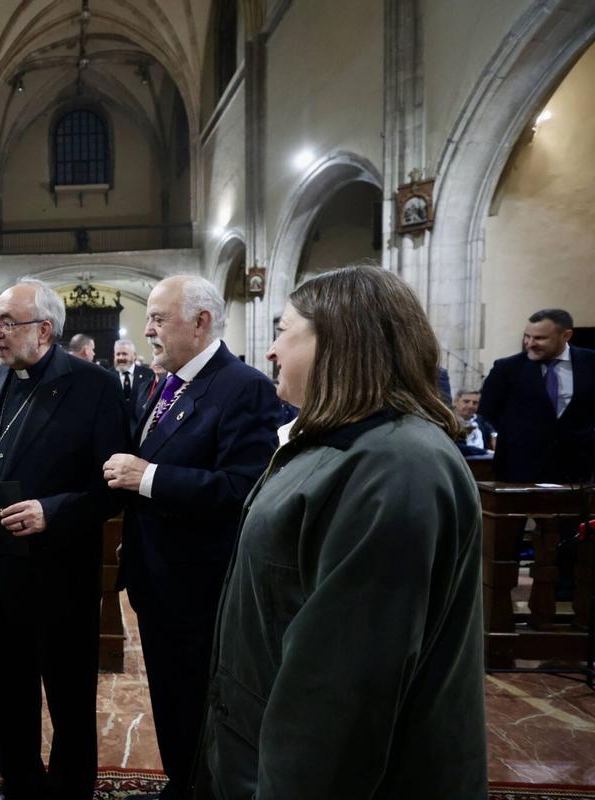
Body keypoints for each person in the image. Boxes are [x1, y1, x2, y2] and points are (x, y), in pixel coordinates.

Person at [196, 265, 487, 799]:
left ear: (339, 341)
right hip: (259, 749)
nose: (270, 351)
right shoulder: (342, 446)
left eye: (283, 330)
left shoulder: (396, 467)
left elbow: (342, 692)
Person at [0, 278, 128, 800]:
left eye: (7, 323)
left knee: (70, 695)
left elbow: (111, 486)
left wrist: (52, 511)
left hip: (60, 571)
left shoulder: (94, 387)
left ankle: (71, 788)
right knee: (7, 690)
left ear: (44, 330)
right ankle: (19, 781)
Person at [102, 276, 281, 800]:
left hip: (202, 587)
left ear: (201, 323)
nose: (148, 329)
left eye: (159, 318)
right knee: (171, 699)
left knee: (202, 703)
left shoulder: (241, 386)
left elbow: (244, 487)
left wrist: (148, 477)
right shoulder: (164, 381)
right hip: (158, 580)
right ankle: (182, 785)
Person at [479, 308, 594, 483]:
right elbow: (488, 410)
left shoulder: (590, 363)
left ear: (566, 335)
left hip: (578, 472)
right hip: (519, 470)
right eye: (527, 336)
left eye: (540, 338)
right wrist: (520, 434)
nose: (530, 343)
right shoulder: (507, 368)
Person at [454, 389, 494, 456]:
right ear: (455, 402)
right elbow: (457, 447)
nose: (470, 406)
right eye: (466, 401)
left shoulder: (480, 420)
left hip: (486, 462)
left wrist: (494, 435)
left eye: (475, 403)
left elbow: (492, 430)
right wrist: (486, 452)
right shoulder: (449, 422)